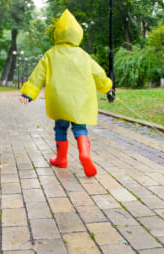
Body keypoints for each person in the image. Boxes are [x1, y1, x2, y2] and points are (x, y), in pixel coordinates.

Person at [19, 9, 112, 177]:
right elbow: (98, 74)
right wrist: (106, 87)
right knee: (80, 127)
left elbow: (38, 74)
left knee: (60, 128)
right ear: (78, 34)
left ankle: (61, 159)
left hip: (59, 98)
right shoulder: (84, 55)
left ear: (57, 34)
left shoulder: (50, 54)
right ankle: (84, 153)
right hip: (80, 100)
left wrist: (29, 93)